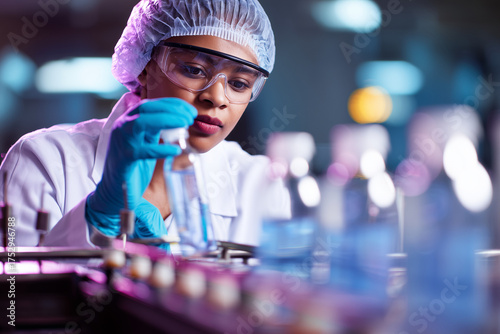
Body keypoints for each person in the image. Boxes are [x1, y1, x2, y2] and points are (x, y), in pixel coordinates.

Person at [0, 0, 287, 250]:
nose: (215, 97)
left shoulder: (260, 185)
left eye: (239, 84)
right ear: (145, 68)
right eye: (194, 70)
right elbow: (13, 301)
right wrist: (100, 215)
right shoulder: (45, 161)